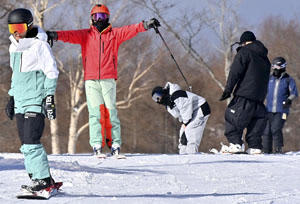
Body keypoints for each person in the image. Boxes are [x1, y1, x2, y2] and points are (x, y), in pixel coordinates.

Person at [46, 4, 160, 157]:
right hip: (91, 81)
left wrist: (145, 25)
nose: (99, 20)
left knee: (111, 111)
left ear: (108, 18)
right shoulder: (86, 35)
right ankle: (97, 146)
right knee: (95, 114)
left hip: (108, 79)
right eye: (96, 17)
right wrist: (54, 35)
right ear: (92, 19)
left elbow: (131, 29)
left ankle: (115, 144)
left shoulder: (114, 34)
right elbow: (69, 35)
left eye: (103, 17)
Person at [5, 8, 59, 191]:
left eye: (19, 27)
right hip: (20, 102)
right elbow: (16, 76)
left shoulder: (39, 46)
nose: (16, 32)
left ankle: (43, 181)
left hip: (35, 101)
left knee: (30, 141)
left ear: (28, 26)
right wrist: (11, 98)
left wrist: (49, 98)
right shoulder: (13, 47)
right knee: (25, 144)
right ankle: (40, 178)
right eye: (12, 28)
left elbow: (52, 72)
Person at [219, 31, 271, 154]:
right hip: (259, 98)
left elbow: (235, 72)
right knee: (255, 120)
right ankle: (255, 146)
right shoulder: (264, 57)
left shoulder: (245, 52)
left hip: (244, 94)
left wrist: (228, 90)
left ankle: (235, 144)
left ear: (243, 42)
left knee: (232, 116)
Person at [152, 82, 211, 154]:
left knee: (190, 130)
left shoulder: (177, 95)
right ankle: (183, 154)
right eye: (155, 99)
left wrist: (186, 123)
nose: (158, 100)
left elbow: (186, 110)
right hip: (189, 115)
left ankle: (192, 155)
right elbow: (179, 116)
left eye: (157, 96)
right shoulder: (168, 106)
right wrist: (184, 124)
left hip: (200, 108)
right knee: (182, 133)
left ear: (162, 92)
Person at [263, 57, 298, 154]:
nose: (276, 69)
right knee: (266, 131)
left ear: (283, 67)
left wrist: (288, 100)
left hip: (282, 110)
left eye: (279, 67)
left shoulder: (288, 79)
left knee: (275, 129)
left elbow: (294, 93)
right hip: (268, 110)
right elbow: (263, 92)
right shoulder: (269, 79)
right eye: (274, 67)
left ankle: (278, 149)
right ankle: (266, 151)